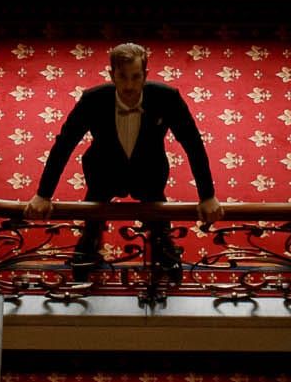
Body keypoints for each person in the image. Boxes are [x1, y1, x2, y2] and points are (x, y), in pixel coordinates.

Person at [27, 40, 221, 282]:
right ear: (112, 75)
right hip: (103, 170)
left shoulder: (167, 98)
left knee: (158, 216)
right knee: (93, 216)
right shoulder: (92, 100)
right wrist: (43, 194)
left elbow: (193, 143)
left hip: (149, 171)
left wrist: (207, 195)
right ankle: (88, 247)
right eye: (123, 77)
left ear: (145, 75)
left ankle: (163, 249)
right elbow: (64, 144)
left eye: (136, 77)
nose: (129, 85)